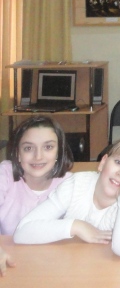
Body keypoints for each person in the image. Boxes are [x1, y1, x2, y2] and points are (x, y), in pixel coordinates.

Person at [14, 137, 120, 257]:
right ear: (103, 162)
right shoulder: (77, 184)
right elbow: (22, 231)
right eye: (118, 162)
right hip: (69, 265)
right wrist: (76, 226)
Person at [0, 117, 74, 276]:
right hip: (9, 264)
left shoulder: (70, 184)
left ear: (59, 151)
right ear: (17, 153)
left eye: (48, 147)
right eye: (28, 148)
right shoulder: (5, 174)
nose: (38, 156)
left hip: (54, 266)